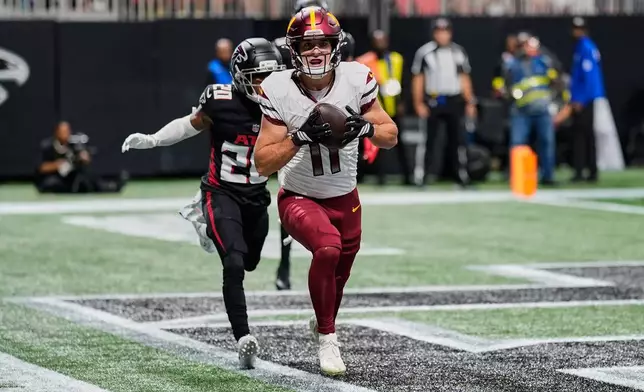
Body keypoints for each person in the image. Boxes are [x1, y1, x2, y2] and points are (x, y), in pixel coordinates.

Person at [120, 38, 286, 370]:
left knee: (251, 260)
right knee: (234, 261)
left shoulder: (284, 105)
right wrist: (154, 139)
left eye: (269, 78)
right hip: (220, 191)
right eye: (257, 77)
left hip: (256, 196)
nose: (264, 85)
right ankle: (243, 339)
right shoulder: (220, 100)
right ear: (239, 76)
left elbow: (293, 158)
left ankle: (215, 232)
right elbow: (190, 124)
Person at [254, 6, 398, 376]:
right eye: (307, 44)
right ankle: (328, 340)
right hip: (299, 196)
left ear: (335, 46)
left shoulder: (356, 78)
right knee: (328, 248)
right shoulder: (278, 88)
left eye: (322, 43)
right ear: (294, 49)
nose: (315, 51)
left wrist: (364, 128)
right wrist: (299, 137)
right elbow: (263, 163)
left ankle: (322, 321)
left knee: (340, 273)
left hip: (345, 196)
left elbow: (390, 135)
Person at [272, 0, 352, 292]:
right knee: (293, 193)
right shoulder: (282, 47)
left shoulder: (339, 41)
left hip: (330, 133)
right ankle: (285, 261)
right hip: (293, 124)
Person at [411, 17, 476, 188]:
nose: (443, 35)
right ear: (434, 34)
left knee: (458, 141)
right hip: (434, 99)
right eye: (439, 32)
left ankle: (461, 175)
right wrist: (418, 103)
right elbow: (418, 79)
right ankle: (421, 175)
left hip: (454, 100)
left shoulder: (458, 52)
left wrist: (470, 101)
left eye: (446, 32)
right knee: (428, 140)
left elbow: (464, 78)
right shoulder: (425, 52)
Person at [554, 17, 607, 182]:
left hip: (584, 99)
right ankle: (586, 170)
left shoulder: (585, 47)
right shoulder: (581, 47)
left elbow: (589, 77)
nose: (576, 31)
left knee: (583, 135)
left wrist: (580, 100)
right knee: (583, 135)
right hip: (581, 98)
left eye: (579, 28)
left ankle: (587, 170)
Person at [357, 29, 411, 186]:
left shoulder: (396, 59)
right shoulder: (364, 60)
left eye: (383, 40)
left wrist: (402, 102)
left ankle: (408, 175)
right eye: (377, 40)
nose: (380, 43)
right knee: (373, 144)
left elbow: (404, 81)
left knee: (399, 143)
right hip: (374, 110)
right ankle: (378, 176)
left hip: (393, 108)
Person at [503, 36, 558, 185]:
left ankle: (548, 175)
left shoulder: (545, 62)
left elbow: (555, 82)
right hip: (521, 111)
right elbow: (505, 85)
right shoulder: (513, 65)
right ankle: (517, 175)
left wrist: (553, 102)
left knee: (547, 141)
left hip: (542, 109)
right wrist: (510, 96)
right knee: (518, 143)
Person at [36, 121, 125, 193]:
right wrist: (58, 165)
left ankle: (111, 186)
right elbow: (41, 167)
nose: (65, 134)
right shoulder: (48, 146)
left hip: (71, 175)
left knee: (86, 177)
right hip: (56, 177)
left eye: (67, 131)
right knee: (52, 184)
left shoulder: (74, 145)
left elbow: (85, 160)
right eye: (62, 132)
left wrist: (83, 158)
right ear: (56, 133)